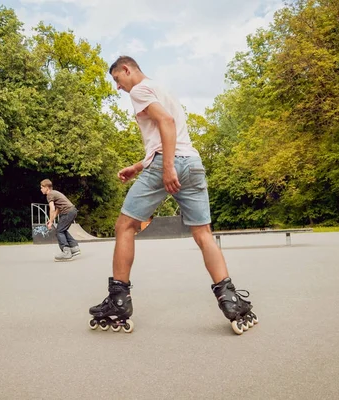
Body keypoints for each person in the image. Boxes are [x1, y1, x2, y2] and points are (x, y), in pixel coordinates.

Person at [88, 56, 257, 335]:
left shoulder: (140, 90)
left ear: (127, 70)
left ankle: (118, 302)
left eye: (117, 79)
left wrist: (166, 168)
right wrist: (138, 165)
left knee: (125, 226)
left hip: (171, 163)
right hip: (192, 163)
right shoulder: (162, 90)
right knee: (203, 233)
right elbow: (169, 135)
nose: (118, 87)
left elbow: (165, 123)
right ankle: (231, 301)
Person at [40, 179, 80, 261]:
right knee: (62, 230)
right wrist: (52, 219)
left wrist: (51, 222)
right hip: (72, 211)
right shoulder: (55, 193)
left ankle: (66, 252)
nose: (41, 189)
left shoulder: (49, 195)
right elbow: (58, 208)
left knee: (59, 231)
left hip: (68, 212)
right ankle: (74, 247)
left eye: (42, 188)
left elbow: (52, 208)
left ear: (47, 188)